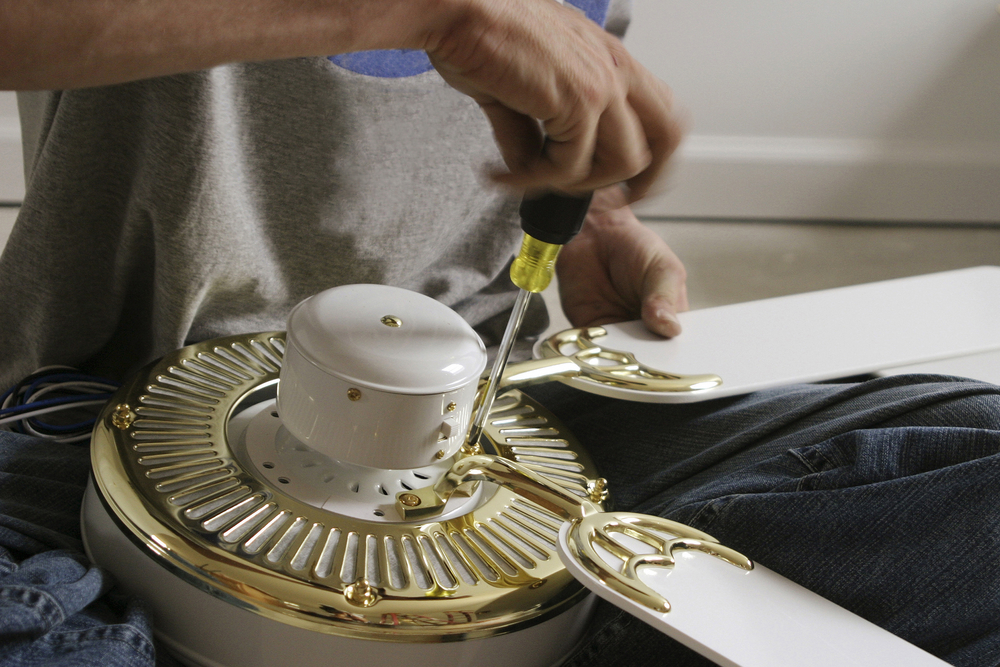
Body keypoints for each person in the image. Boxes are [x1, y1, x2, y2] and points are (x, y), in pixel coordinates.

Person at [1, 1, 999, 666]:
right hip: (113, 419)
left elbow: (547, 77)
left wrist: (594, 210)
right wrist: (427, 9)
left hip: (502, 429)